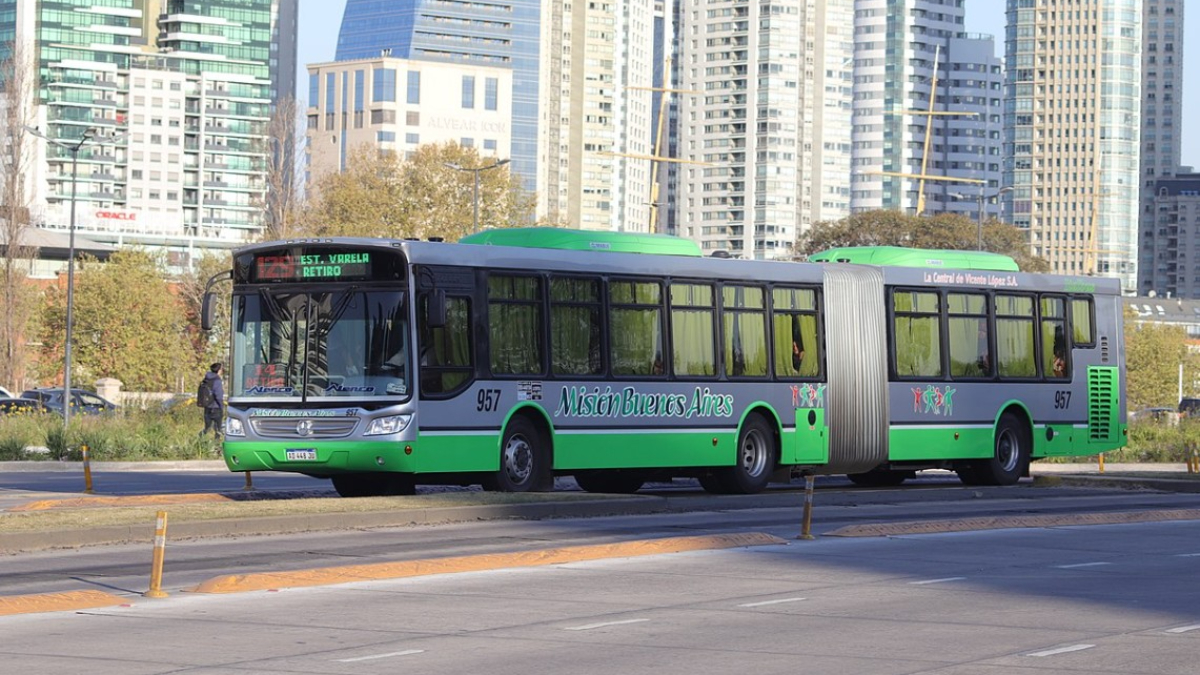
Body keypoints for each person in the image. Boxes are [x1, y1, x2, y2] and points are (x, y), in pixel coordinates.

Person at [199, 362, 225, 438]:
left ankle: (199, 440)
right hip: (216, 407)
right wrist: (221, 406)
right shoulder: (217, 380)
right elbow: (218, 396)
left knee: (207, 428)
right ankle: (216, 445)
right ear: (219, 370)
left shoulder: (206, 379)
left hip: (207, 406)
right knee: (218, 430)